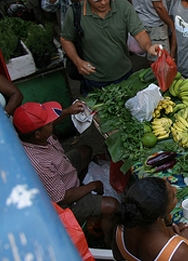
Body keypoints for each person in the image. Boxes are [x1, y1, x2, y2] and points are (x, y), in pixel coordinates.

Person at [12, 101, 119, 247]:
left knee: (85, 151)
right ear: (38, 134)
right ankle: (109, 241)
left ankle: (81, 178)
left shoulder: (30, 135)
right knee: (112, 206)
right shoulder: (39, 164)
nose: (52, 124)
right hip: (67, 198)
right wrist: (93, 186)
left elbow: (52, 121)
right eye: (48, 124)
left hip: (62, 165)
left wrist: (68, 111)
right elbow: (62, 197)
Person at [60, 0, 159, 96]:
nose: (103, 2)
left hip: (124, 75)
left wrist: (148, 46)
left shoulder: (123, 7)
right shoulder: (75, 13)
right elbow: (66, 39)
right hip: (94, 80)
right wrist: (78, 61)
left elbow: (139, 33)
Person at [112, 177, 188, 261]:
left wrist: (168, 231)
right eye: (173, 195)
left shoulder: (122, 224)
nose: (175, 189)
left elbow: (118, 257)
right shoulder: (179, 251)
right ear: (159, 216)